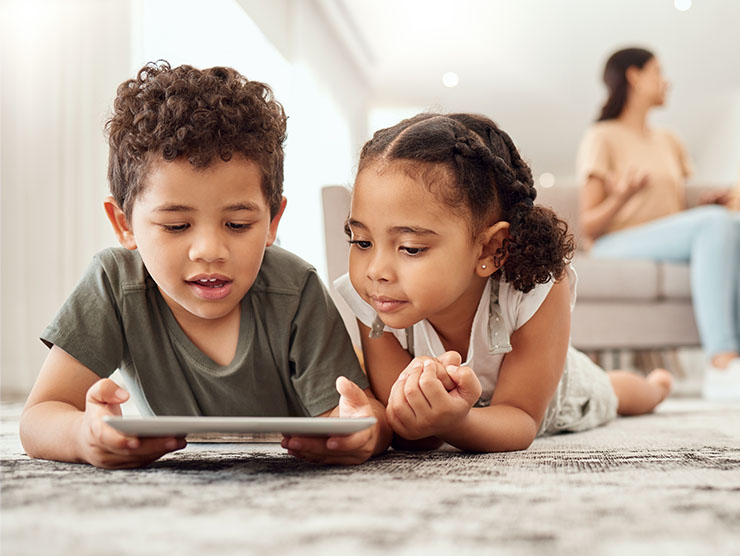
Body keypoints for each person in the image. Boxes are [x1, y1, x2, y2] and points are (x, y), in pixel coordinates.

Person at [19, 61, 391, 468]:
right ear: (124, 225)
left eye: (237, 224)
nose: (210, 250)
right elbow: (40, 416)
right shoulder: (114, 282)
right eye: (177, 225)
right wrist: (84, 435)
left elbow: (363, 415)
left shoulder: (295, 288)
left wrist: (362, 430)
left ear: (272, 221)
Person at [333, 112, 673, 452]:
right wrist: (418, 406)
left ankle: (656, 386)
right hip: (480, 406)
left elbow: (520, 419)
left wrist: (457, 421)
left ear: (491, 248)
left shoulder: (538, 287)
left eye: (410, 248)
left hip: (559, 394)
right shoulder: (374, 297)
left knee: (612, 391)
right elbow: (411, 431)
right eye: (361, 242)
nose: (376, 270)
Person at [576, 47, 740, 401]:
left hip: (663, 239)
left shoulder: (670, 140)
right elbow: (589, 225)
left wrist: (703, 207)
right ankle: (722, 363)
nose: (667, 81)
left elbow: (673, 213)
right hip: (615, 242)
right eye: (658, 71)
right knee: (715, 224)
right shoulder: (602, 136)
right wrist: (622, 195)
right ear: (634, 76)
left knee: (732, 224)